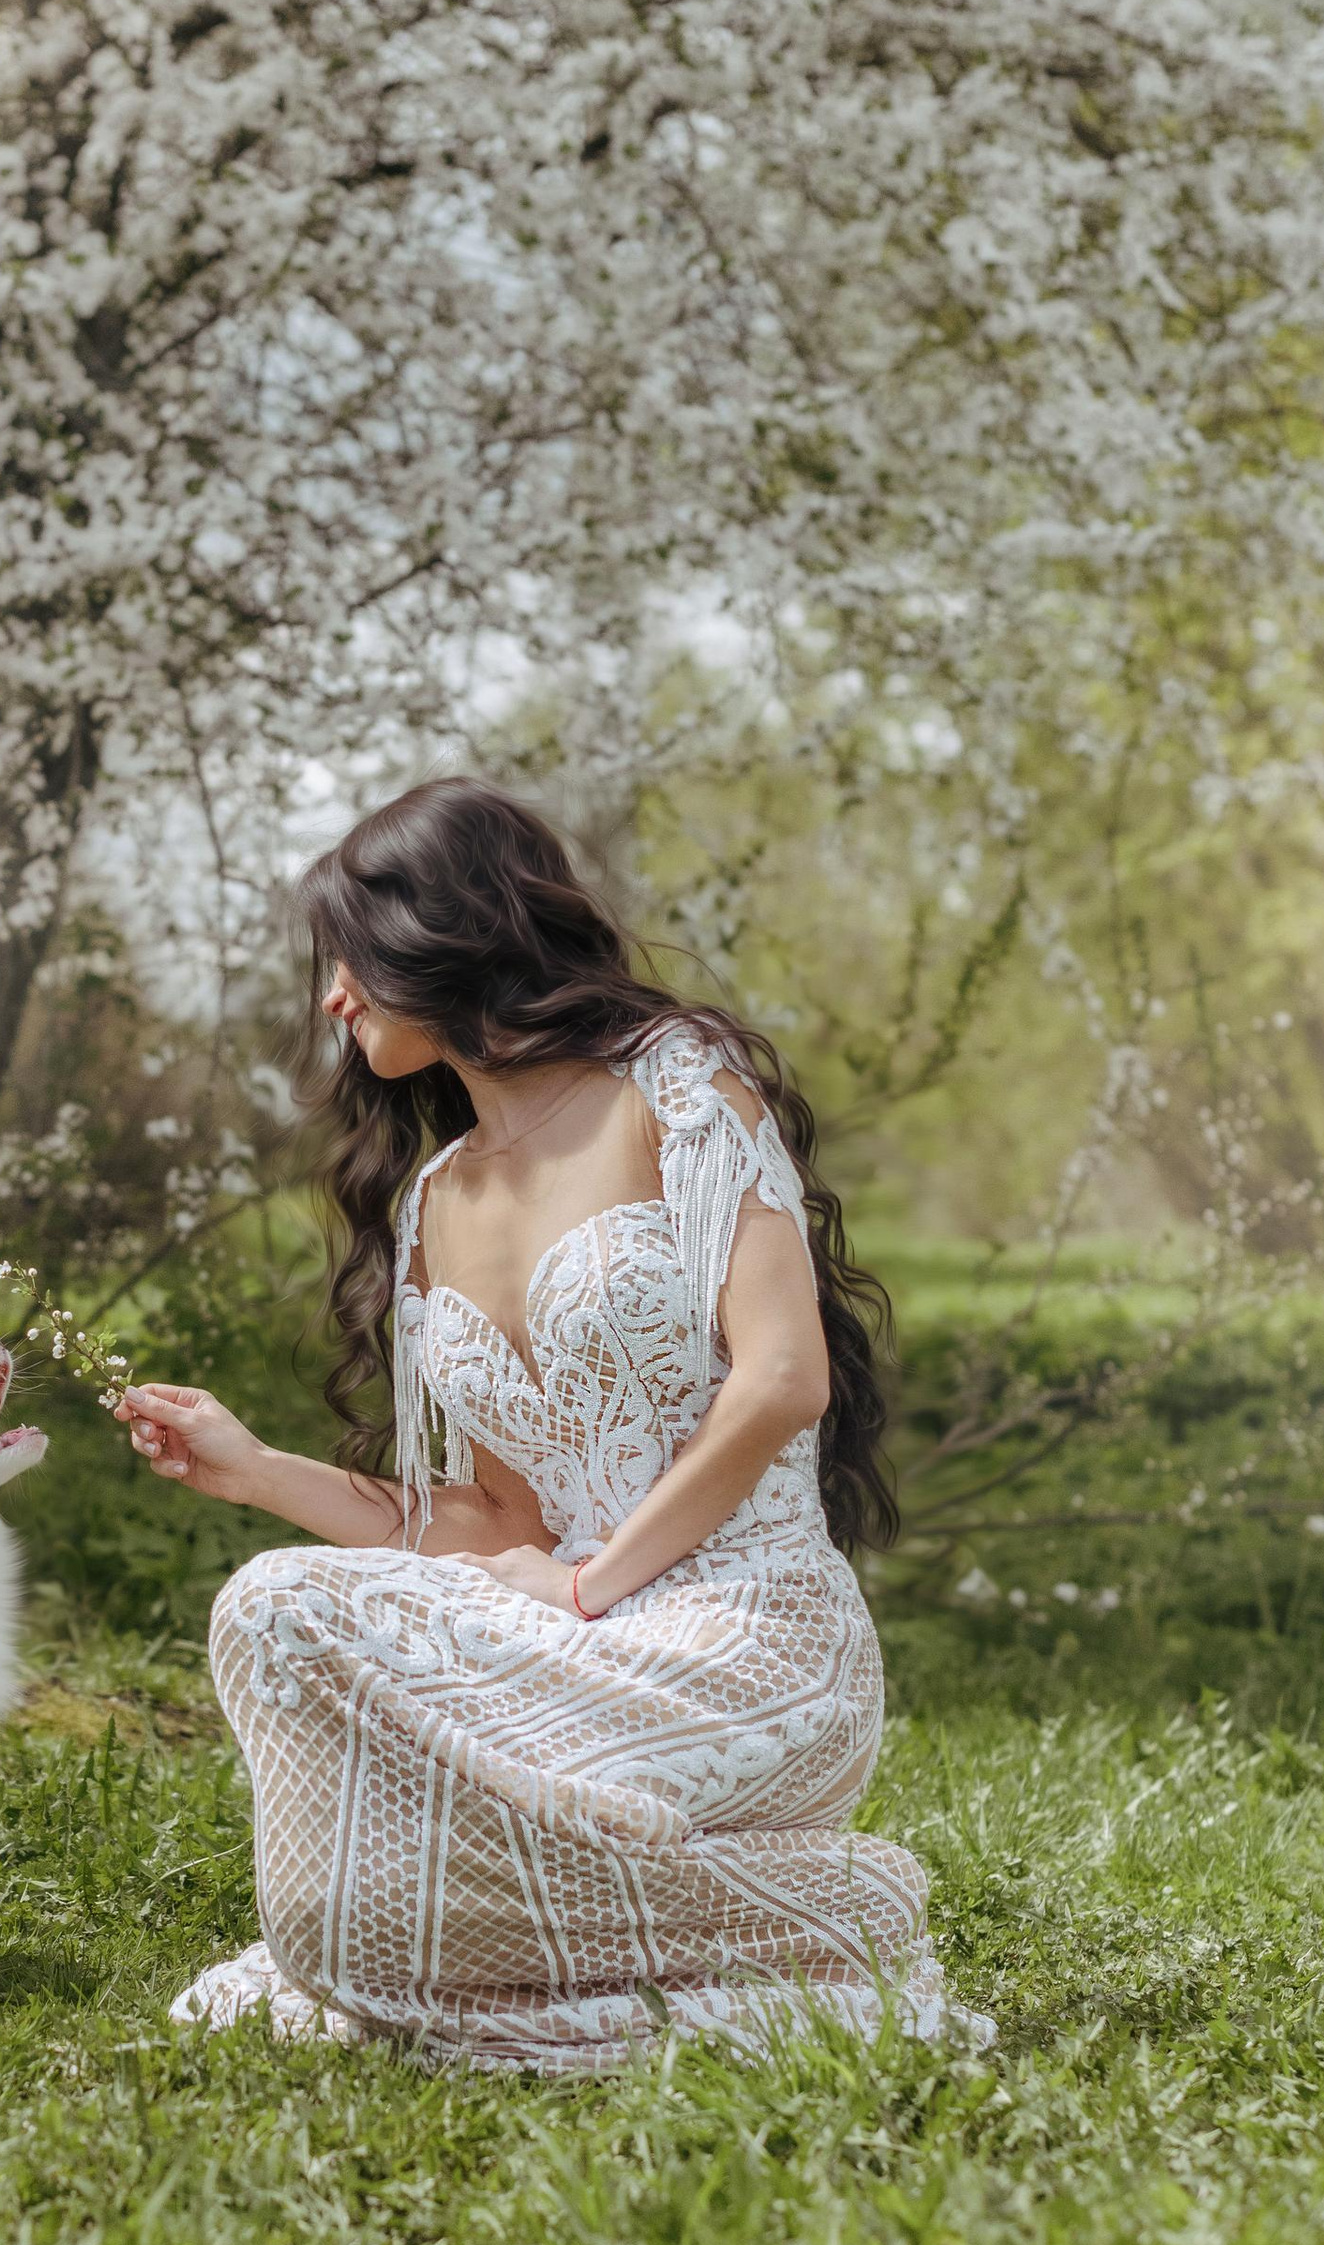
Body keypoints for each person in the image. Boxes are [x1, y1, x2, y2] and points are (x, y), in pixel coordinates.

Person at [115, 779, 989, 2072]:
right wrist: (257, 1473)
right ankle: (585, 1910)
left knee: (354, 1823)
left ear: (441, 932)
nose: (331, 1000)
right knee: (271, 1606)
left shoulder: (681, 1086)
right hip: (573, 1640)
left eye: (346, 958)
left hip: (750, 1643)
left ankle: (833, 1905)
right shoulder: (432, 1203)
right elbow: (495, 1524)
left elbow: (783, 1381)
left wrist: (591, 1583)